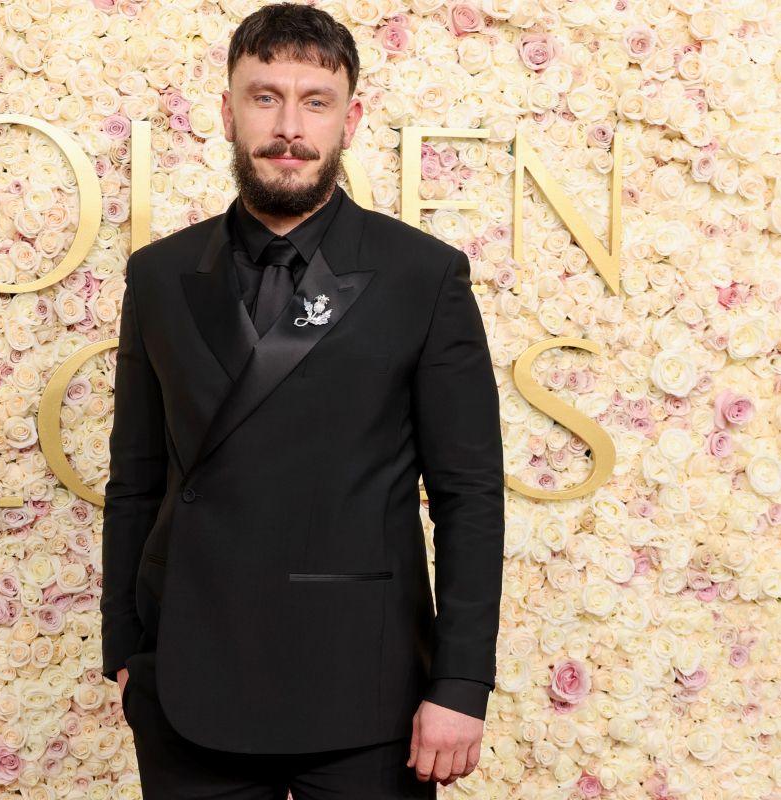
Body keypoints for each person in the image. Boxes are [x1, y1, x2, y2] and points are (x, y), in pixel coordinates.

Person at [100, 3, 505, 797]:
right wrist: (125, 648)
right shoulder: (159, 276)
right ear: (226, 111)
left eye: (314, 101)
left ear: (350, 119)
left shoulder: (423, 276)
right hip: (191, 680)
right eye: (265, 96)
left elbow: (469, 497)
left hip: (368, 685)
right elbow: (133, 481)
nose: (289, 126)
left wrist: (460, 685)